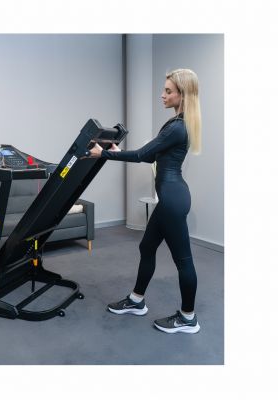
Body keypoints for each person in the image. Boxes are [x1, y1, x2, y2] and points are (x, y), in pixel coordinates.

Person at [88, 68, 202, 334]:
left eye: (168, 91)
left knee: (183, 261)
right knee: (147, 246)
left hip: (172, 201)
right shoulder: (178, 123)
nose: (162, 95)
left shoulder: (177, 127)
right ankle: (136, 300)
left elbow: (141, 155)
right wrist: (118, 151)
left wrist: (104, 154)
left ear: (182, 95)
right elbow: (151, 156)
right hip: (171, 197)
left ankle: (188, 318)